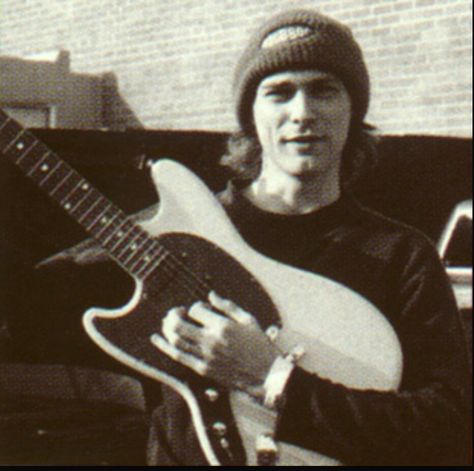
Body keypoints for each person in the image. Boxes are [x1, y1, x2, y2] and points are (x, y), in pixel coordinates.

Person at [6, 8, 470, 467]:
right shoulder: (175, 232)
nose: (302, 112)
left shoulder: (402, 255)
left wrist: (272, 377)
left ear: (354, 108)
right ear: (250, 113)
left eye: (324, 90)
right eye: (279, 93)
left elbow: (449, 427)